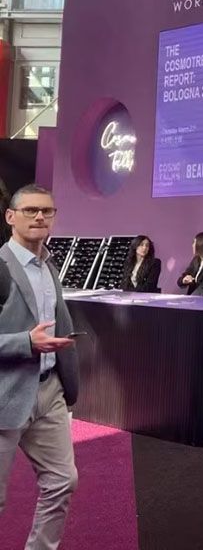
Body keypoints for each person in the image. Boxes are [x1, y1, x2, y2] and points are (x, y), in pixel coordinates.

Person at [0, 184, 79, 550]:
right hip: (5, 393)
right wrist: (25, 343)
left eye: (47, 211)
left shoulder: (48, 265)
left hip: (49, 391)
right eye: (30, 210)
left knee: (62, 481)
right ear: (10, 217)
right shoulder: (1, 268)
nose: (39, 217)